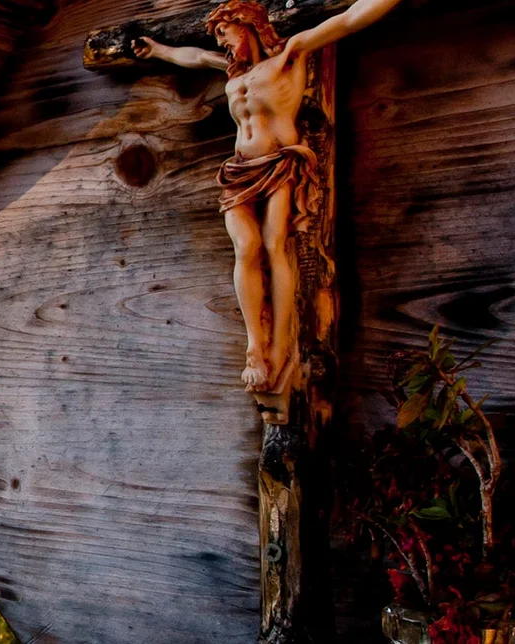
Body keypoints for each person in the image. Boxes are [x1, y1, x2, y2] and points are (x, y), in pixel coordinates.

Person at [131, 0, 402, 399]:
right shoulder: (230, 73)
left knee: (276, 248)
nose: (221, 42)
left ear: (248, 25)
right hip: (240, 170)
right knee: (246, 247)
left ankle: (278, 346)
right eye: (219, 37)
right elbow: (193, 57)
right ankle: (255, 347)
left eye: (226, 32)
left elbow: (347, 19)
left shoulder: (289, 56)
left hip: (279, 165)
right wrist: (158, 51)